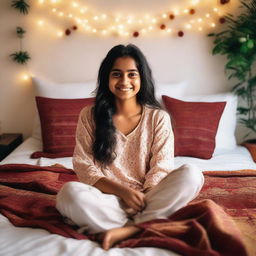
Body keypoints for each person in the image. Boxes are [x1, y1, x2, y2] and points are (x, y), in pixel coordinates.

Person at [56, 44, 204, 250]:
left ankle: (127, 230)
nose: (124, 81)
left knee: (192, 174)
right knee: (68, 193)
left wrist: (142, 198)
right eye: (117, 74)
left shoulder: (157, 118)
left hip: (148, 199)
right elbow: (83, 166)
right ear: (106, 78)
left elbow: (162, 165)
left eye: (132, 74)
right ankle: (145, 225)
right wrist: (123, 192)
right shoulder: (89, 116)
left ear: (141, 78)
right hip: (105, 201)